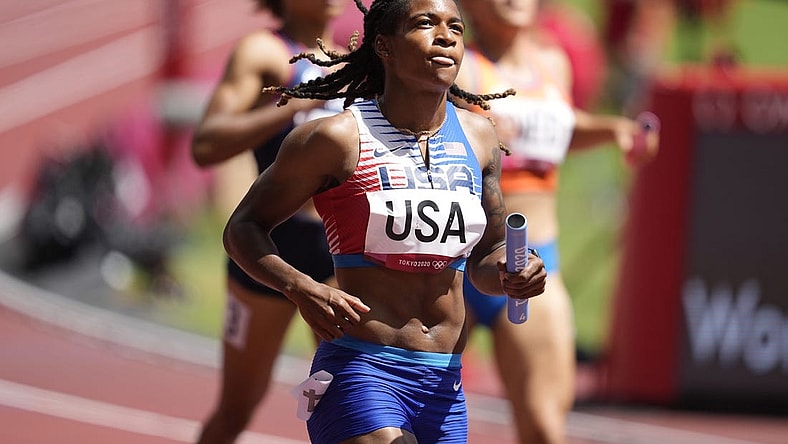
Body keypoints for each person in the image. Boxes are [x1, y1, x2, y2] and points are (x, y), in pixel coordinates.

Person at [222, 0, 548, 442]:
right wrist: (297, 286)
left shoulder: (479, 137)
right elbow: (243, 227)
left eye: (456, 27)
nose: (446, 36)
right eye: (425, 24)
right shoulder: (336, 138)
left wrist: (514, 273)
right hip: (362, 367)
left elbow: (486, 259)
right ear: (384, 46)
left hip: (442, 381)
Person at [455, 0, 659, 443]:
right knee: (417, 421)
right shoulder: (460, 66)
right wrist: (477, 136)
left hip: (534, 261)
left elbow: (561, 129)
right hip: (455, 263)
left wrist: (613, 130)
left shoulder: (552, 63)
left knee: (545, 427)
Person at [189, 1, 354, 442]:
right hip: (266, 250)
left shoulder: (353, 62)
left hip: (339, 253)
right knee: (237, 407)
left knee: (350, 401)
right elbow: (206, 144)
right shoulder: (263, 52)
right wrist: (297, 103)